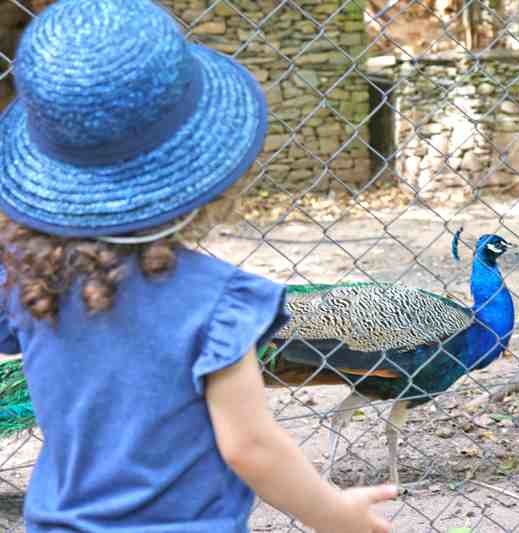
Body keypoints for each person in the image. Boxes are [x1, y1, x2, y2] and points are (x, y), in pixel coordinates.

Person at [0, 0, 396, 531]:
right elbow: (250, 447)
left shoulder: (28, 285)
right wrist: (338, 515)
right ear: (205, 181)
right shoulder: (219, 303)